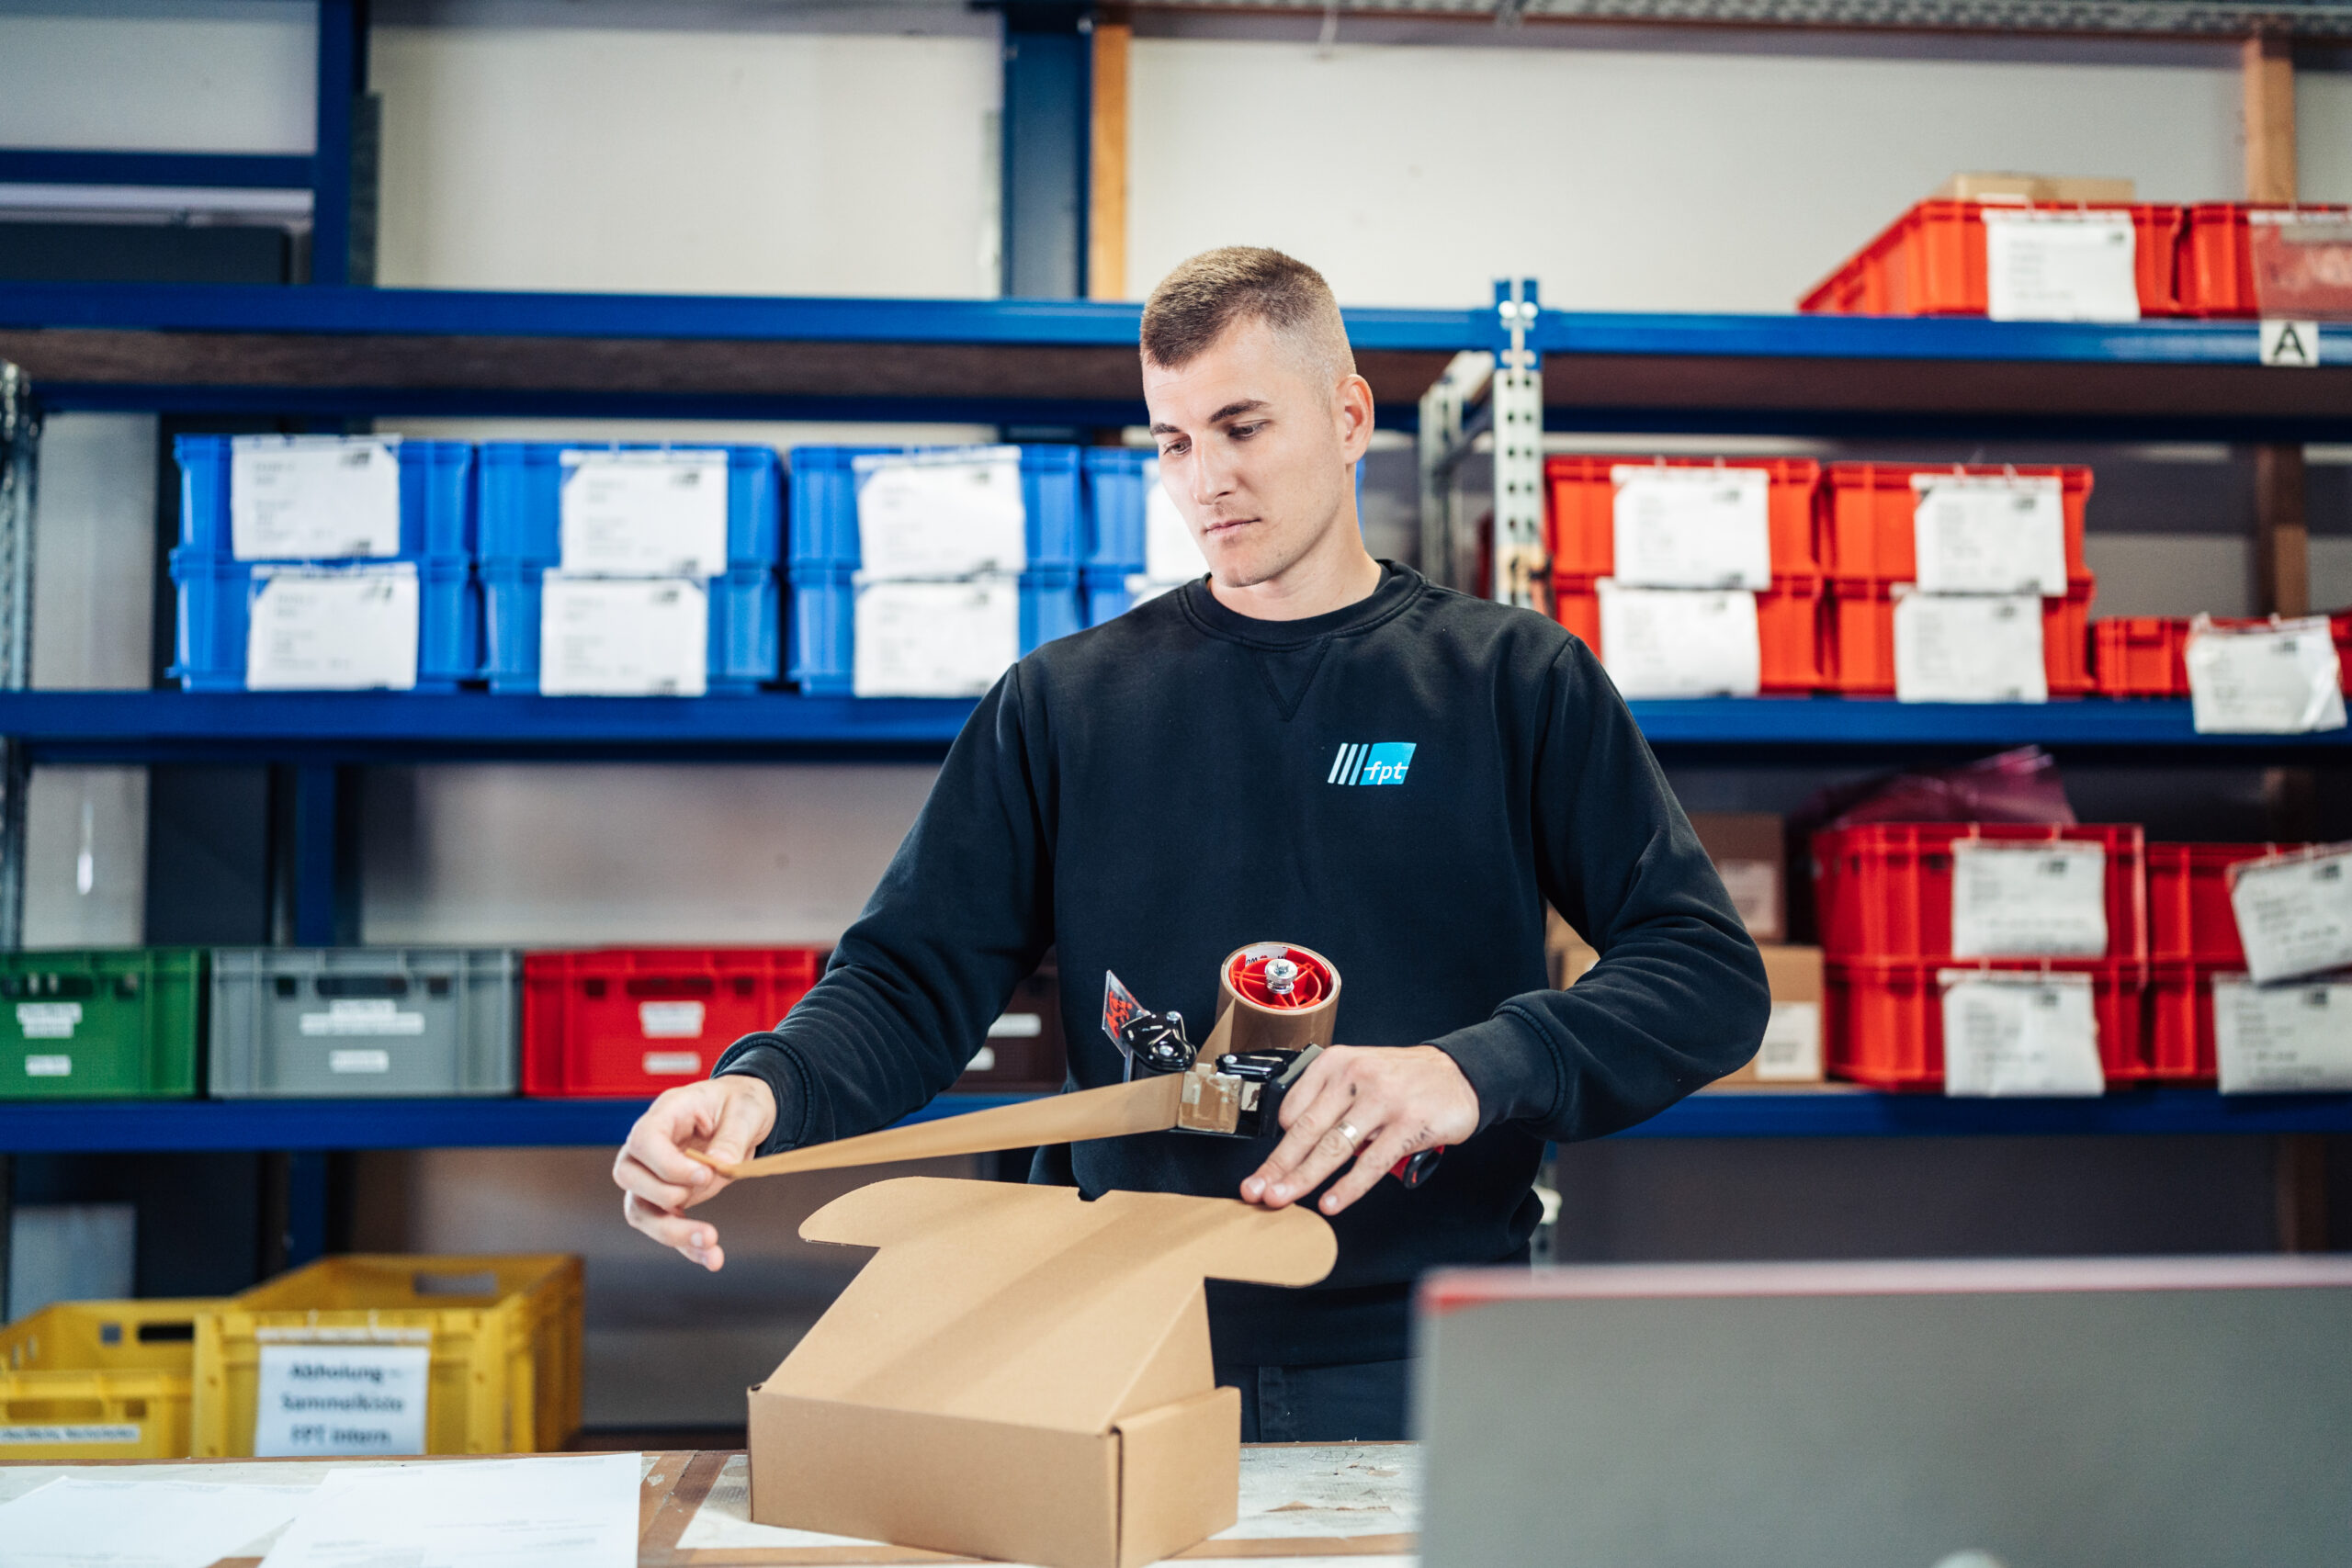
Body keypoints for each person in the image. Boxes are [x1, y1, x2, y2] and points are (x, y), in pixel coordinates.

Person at [614, 245, 1769, 1442]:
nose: (1205, 479)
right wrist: (760, 1088)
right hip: (1125, 1338)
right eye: (1172, 441)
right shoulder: (1066, 705)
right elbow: (908, 980)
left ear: (1349, 414)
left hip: (1421, 1350)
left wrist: (1475, 1068)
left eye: (1242, 427)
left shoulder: (1510, 680)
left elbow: (1704, 977)